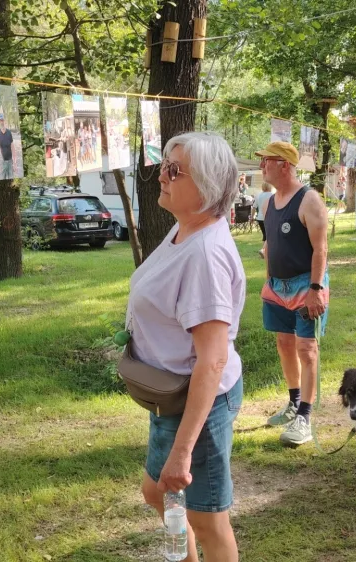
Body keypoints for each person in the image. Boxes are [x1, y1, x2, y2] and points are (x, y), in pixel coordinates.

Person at [130, 132, 245, 561]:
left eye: (174, 170)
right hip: (172, 397)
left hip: (199, 402)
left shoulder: (205, 256)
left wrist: (182, 452)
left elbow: (212, 361)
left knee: (207, 521)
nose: (162, 175)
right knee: (157, 492)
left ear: (208, 185)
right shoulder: (185, 229)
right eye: (164, 165)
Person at [256, 141, 330, 447]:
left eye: (267, 161)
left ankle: (305, 418)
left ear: (285, 165)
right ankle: (293, 402)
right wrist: (268, 281)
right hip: (277, 287)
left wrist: (315, 289)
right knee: (284, 344)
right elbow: (269, 243)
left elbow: (320, 249)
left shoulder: (309, 200)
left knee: (306, 348)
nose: (262, 166)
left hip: (305, 287)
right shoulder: (269, 202)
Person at [254, 182, 275, 259]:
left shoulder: (258, 195)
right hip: (268, 217)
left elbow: (254, 207)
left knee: (265, 235)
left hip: (260, 218)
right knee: (269, 235)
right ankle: (264, 250)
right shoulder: (272, 195)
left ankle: (265, 251)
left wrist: (252, 217)